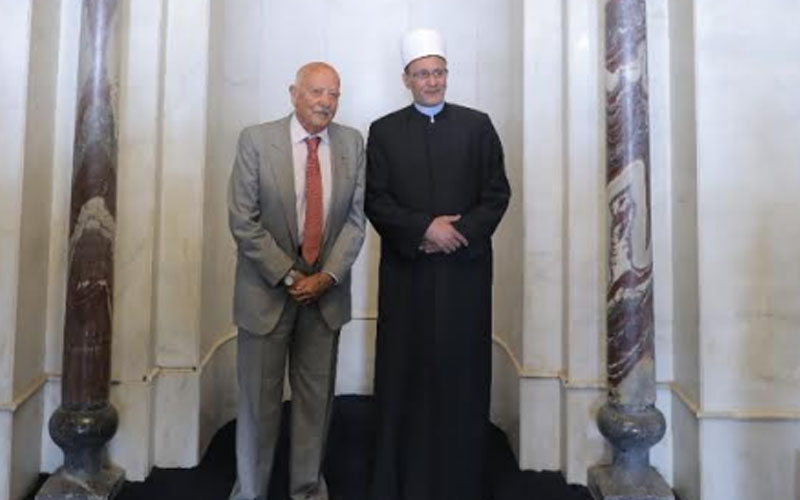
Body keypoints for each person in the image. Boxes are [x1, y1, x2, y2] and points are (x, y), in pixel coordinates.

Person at [365, 29, 511, 500]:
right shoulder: (384, 131)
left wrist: (456, 233)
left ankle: (460, 483)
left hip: (464, 276)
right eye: (422, 74)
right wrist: (425, 228)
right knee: (406, 377)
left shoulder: (478, 126)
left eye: (439, 72)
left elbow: (496, 194)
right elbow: (376, 200)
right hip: (407, 278)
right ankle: (402, 482)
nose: (432, 81)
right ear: (406, 79)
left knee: (460, 378)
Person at [228, 61, 365, 500]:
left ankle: (306, 490)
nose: (326, 102)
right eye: (316, 92)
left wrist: (326, 276)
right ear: (294, 93)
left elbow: (356, 222)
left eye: (334, 94)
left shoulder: (352, 143)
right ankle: (251, 492)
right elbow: (243, 221)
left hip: (325, 297)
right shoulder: (256, 140)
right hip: (266, 295)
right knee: (258, 406)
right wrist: (289, 276)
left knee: (315, 404)